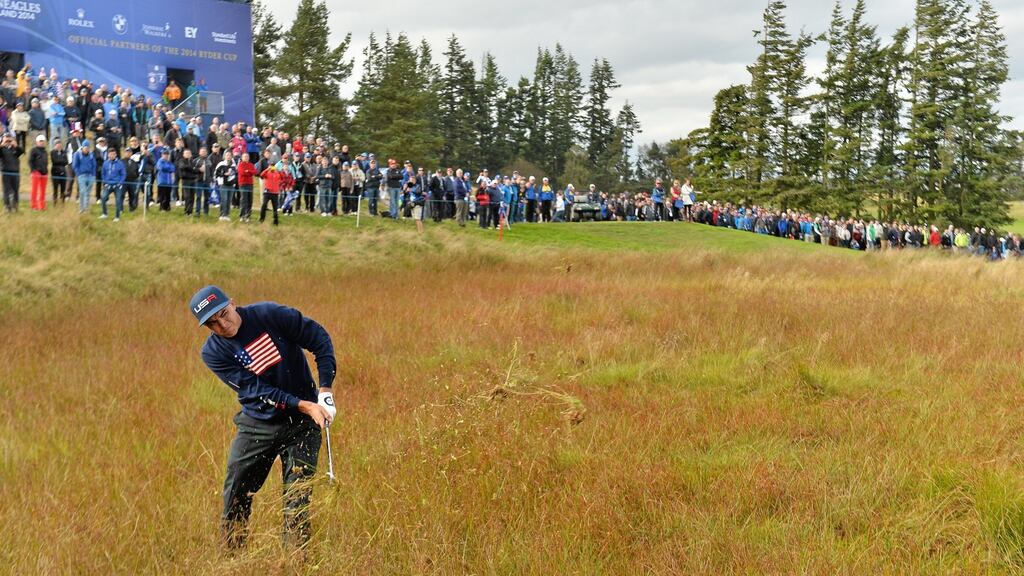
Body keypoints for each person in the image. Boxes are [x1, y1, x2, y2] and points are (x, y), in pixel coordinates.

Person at [189, 285, 336, 552]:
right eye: (212, 323)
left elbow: (319, 339)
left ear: (232, 303)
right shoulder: (213, 353)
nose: (222, 324)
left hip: (303, 426)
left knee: (297, 501)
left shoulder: (271, 315)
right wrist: (304, 405)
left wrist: (325, 391)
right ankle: (234, 562)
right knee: (235, 496)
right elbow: (256, 390)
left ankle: (295, 565)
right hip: (257, 424)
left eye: (223, 314)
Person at [99, 147, 126, 221]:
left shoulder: (120, 163)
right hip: (108, 184)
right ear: (108, 155)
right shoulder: (105, 163)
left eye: (113, 154)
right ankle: (104, 213)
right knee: (103, 198)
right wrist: (105, 182)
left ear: (116, 155)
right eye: (110, 154)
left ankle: (117, 217)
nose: (112, 156)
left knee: (118, 200)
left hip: (117, 185)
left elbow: (123, 174)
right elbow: (103, 173)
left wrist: (120, 183)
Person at [1, 133, 24, 212]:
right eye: (6, 138)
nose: (8, 140)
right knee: (6, 190)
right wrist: (2, 144)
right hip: (6, 172)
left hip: (15, 172)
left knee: (16, 190)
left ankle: (15, 205)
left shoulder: (14, 149)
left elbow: (22, 151)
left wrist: (16, 145)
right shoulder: (2, 149)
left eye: (9, 138)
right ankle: (7, 206)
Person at [215, 151, 238, 222]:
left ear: (231, 156)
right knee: (224, 200)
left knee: (229, 200)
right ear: (225, 156)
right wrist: (224, 174)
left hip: (231, 185)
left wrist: (234, 182)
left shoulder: (233, 165)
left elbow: (236, 174)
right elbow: (216, 174)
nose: (228, 156)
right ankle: (222, 215)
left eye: (230, 155)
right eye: (227, 155)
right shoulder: (221, 164)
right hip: (223, 185)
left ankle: (227, 215)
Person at [28, 134, 48, 210]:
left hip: (44, 172)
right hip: (36, 172)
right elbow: (30, 161)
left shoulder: (45, 151)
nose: (42, 143)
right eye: (40, 141)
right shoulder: (33, 150)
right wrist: (33, 170)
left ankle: (42, 206)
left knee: (43, 190)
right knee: (34, 190)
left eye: (43, 141)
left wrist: (46, 171)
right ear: (37, 142)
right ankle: (34, 206)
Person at [236, 153, 257, 222]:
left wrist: (248, 171)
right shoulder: (240, 164)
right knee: (243, 200)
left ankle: (248, 216)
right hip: (243, 184)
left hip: (250, 184)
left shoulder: (251, 164)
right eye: (245, 156)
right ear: (242, 157)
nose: (246, 157)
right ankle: (242, 216)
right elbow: (242, 173)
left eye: (247, 156)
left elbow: (254, 172)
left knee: (250, 200)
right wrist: (249, 172)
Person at [50, 139, 70, 204]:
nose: (59, 145)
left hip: (63, 172)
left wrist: (60, 161)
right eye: (57, 144)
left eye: (60, 144)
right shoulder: (52, 152)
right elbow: (54, 161)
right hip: (55, 173)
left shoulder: (64, 152)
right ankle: (55, 202)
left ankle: (62, 202)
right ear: (55, 145)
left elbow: (66, 162)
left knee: (63, 189)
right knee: (55, 189)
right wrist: (61, 160)